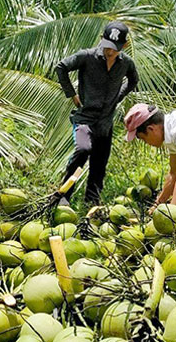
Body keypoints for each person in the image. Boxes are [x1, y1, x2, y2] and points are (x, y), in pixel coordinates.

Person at [55, 21, 139, 205]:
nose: (110, 52)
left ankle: (91, 205)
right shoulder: (87, 57)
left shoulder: (126, 64)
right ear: (102, 40)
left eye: (115, 49)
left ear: (124, 46)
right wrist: (72, 95)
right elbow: (61, 67)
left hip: (105, 123)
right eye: (107, 46)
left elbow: (134, 80)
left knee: (99, 166)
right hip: (85, 118)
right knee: (83, 150)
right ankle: (63, 196)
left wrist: (119, 96)